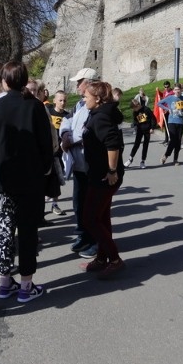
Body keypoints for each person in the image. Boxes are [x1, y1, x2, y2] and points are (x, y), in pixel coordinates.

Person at [0, 62, 53, 303]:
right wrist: (45, 169)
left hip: (2, 179)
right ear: (24, 80)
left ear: (5, 81)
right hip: (30, 179)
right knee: (27, 232)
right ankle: (26, 286)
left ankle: (5, 283)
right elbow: (46, 144)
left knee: (4, 231)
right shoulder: (34, 106)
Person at [80, 81, 126, 276]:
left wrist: (112, 170)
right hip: (98, 174)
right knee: (102, 217)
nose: (83, 98)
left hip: (104, 177)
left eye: (86, 96)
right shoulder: (98, 114)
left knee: (90, 219)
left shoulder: (100, 117)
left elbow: (113, 143)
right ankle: (102, 257)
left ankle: (114, 259)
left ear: (97, 99)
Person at [59, 68, 100, 258]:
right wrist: (65, 134)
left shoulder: (98, 105)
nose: (77, 85)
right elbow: (67, 121)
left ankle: (96, 241)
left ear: (89, 83)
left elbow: (90, 132)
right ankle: (83, 235)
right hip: (78, 164)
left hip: (91, 165)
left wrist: (71, 140)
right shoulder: (79, 104)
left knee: (93, 205)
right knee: (78, 203)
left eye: (79, 82)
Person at [46, 91, 70, 214]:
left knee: (57, 179)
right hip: (47, 151)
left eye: (65, 100)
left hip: (59, 153)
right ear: (54, 100)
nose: (62, 103)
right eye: (60, 100)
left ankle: (55, 204)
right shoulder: (48, 112)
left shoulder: (67, 116)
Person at [158, 85, 183, 166]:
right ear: (173, 91)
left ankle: (175, 159)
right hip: (172, 121)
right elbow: (159, 103)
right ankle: (166, 155)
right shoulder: (170, 98)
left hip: (180, 121)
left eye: (178, 89)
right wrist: (167, 109)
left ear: (181, 90)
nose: (177, 91)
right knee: (173, 140)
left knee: (178, 141)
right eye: (175, 89)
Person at [126, 98, 153, 168]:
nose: (134, 110)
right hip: (140, 129)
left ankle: (143, 161)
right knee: (136, 144)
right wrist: (134, 124)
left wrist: (152, 128)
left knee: (145, 145)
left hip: (147, 130)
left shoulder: (146, 110)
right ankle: (130, 159)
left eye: (134, 108)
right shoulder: (135, 112)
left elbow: (153, 119)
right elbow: (135, 120)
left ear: (137, 106)